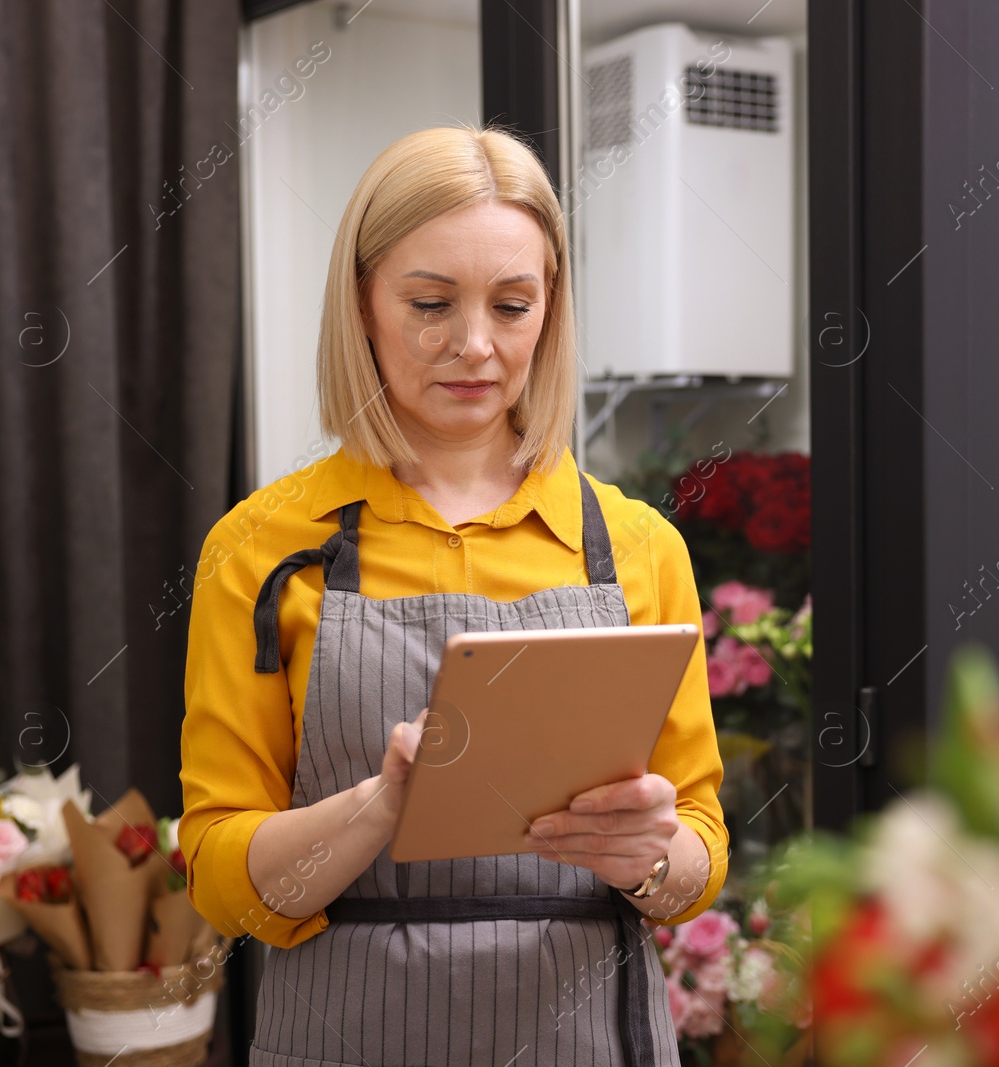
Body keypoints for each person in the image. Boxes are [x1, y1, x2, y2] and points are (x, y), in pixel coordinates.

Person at [180, 126, 727, 1067]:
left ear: (550, 308)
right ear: (361, 302)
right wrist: (383, 805)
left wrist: (647, 854)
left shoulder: (638, 550)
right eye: (430, 303)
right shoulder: (260, 550)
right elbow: (221, 879)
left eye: (513, 305)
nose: (474, 346)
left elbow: (698, 857)